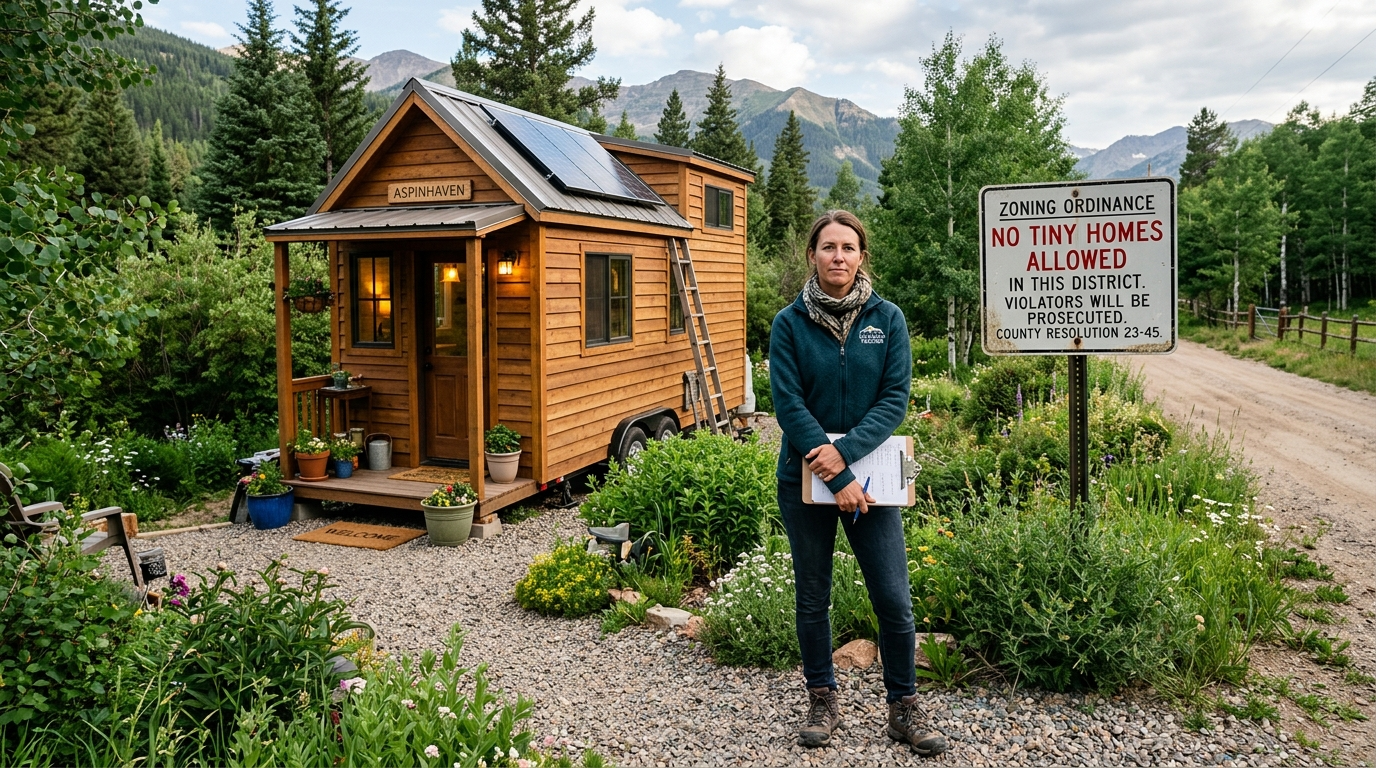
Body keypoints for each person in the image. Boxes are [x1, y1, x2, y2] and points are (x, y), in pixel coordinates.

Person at [768, 210, 948, 757]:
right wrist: (831, 473)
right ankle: (822, 697)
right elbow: (787, 403)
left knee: (894, 599)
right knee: (812, 597)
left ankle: (903, 706)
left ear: (861, 256)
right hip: (802, 481)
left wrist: (842, 462)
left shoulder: (886, 319)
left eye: (848, 247)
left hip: (875, 483)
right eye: (828, 247)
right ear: (812, 255)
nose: (838, 256)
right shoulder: (788, 323)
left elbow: (894, 400)